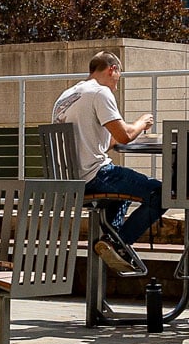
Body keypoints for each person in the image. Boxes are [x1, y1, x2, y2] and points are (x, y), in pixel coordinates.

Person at [52, 50, 164, 274]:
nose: (117, 85)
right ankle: (119, 244)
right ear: (113, 70)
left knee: (119, 195)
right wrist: (141, 123)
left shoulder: (66, 96)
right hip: (95, 175)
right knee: (163, 192)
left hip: (68, 181)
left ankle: (109, 243)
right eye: (118, 77)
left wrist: (121, 135)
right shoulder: (100, 92)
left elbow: (104, 141)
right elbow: (124, 136)